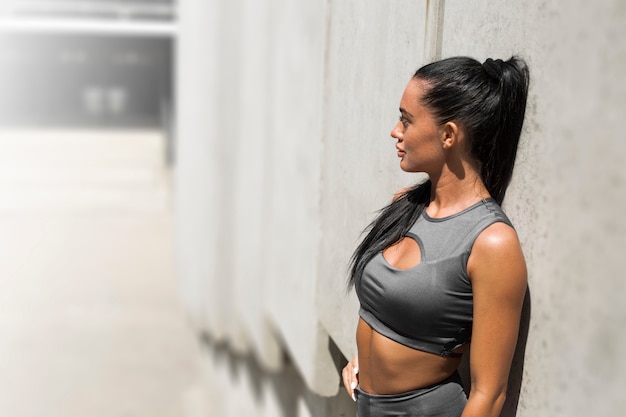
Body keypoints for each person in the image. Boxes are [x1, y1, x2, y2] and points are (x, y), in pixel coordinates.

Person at [341, 56, 530, 417]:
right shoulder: (406, 205)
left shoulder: (491, 242)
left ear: (448, 135)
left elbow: (489, 396)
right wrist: (364, 359)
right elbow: (391, 316)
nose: (395, 131)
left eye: (406, 120)